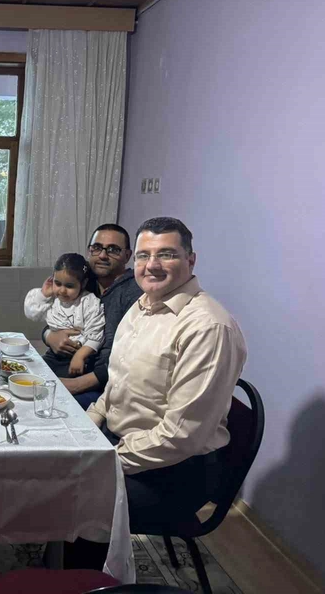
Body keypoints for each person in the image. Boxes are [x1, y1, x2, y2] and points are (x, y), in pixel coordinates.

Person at [88, 216, 247, 533]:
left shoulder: (208, 327)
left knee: (67, 496)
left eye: (166, 254)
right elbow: (116, 384)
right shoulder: (142, 306)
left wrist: (105, 462)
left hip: (173, 472)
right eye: (144, 255)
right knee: (49, 465)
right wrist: (89, 424)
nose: (152, 265)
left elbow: (180, 437)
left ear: (191, 260)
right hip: (125, 444)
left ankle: (85, 562)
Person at [42, 224, 142, 409]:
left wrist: (76, 385)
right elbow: (58, 315)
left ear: (127, 256)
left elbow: (129, 357)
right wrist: (49, 336)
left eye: (113, 249)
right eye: (97, 248)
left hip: (102, 386)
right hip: (62, 362)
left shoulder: (134, 292)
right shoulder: (82, 279)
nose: (103, 255)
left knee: (44, 406)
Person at [24, 253, 105, 377]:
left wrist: (80, 356)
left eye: (69, 286)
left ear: (83, 283)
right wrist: (43, 294)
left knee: (53, 383)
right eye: (58, 283)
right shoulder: (52, 299)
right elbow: (32, 312)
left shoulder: (89, 302)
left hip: (79, 357)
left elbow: (96, 336)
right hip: (53, 355)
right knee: (30, 374)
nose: (62, 290)